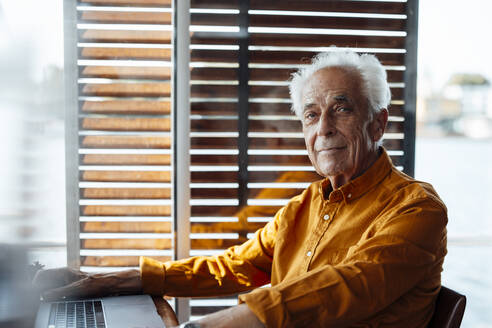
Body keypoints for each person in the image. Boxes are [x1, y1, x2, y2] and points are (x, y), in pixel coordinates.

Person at [34, 49, 447, 328]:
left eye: (341, 108)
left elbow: (350, 284)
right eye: (310, 115)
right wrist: (107, 280)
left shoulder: (416, 209)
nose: (323, 129)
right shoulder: (303, 207)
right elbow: (232, 266)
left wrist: (209, 325)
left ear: (378, 123)